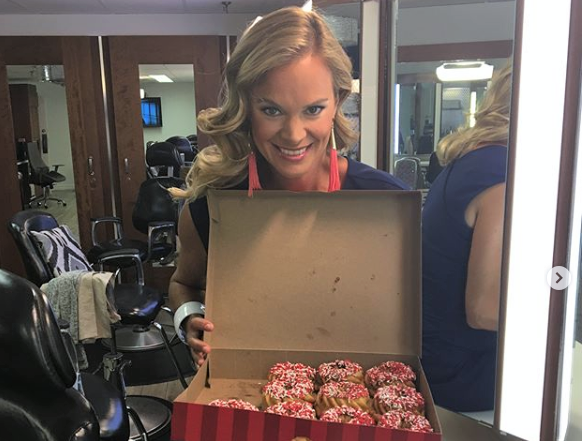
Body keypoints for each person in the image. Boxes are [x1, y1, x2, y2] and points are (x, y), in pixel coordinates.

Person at [168, 6, 407, 367]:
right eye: (272, 110)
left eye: (313, 109)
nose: (294, 135)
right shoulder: (208, 208)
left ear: (338, 102)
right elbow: (183, 283)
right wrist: (188, 317)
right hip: (244, 401)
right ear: (246, 105)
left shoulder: (387, 205)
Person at [421, 64, 512, 412]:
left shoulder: (472, 159)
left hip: (441, 359)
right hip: (461, 375)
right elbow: (484, 311)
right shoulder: (500, 175)